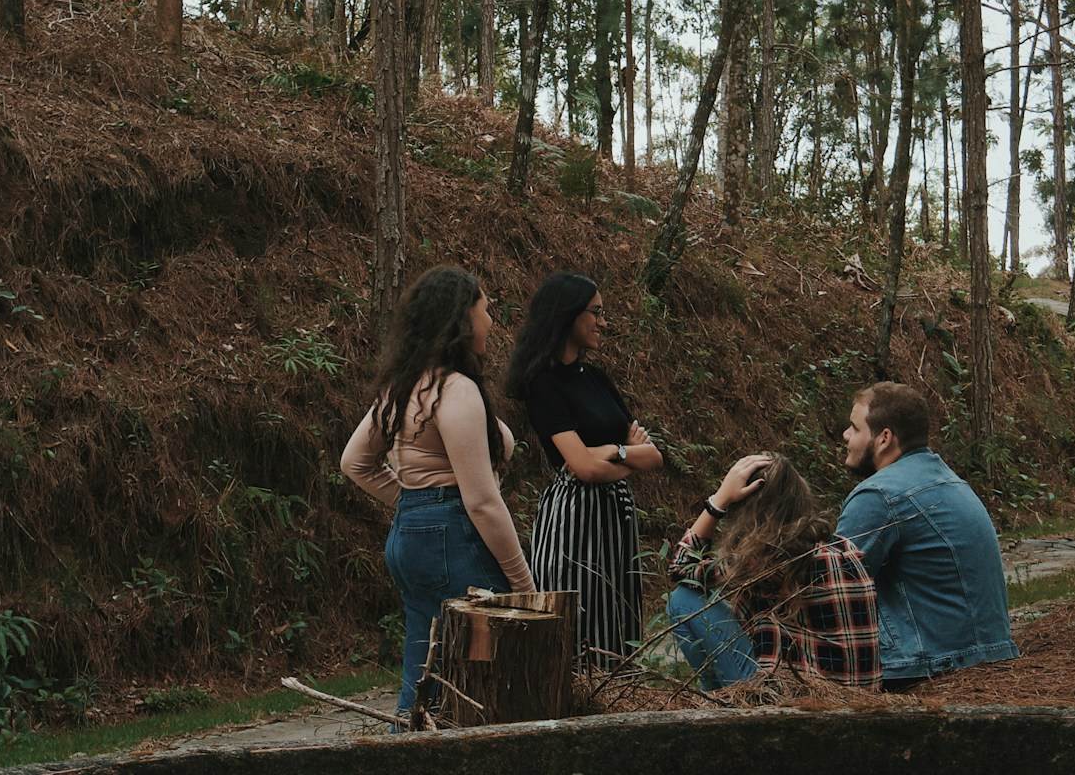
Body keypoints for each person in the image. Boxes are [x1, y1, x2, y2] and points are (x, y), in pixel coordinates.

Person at [341, 265, 534, 721]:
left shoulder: (403, 388)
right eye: (487, 311)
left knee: (425, 676)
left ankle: (409, 753)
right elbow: (482, 502)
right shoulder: (455, 390)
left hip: (412, 540)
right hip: (457, 543)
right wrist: (525, 587)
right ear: (462, 320)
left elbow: (355, 463)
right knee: (483, 678)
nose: (492, 322)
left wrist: (415, 508)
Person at [503, 272, 663, 669]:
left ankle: (615, 702)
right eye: (596, 312)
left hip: (617, 516)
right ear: (567, 315)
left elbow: (655, 457)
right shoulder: (541, 383)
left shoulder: (596, 378)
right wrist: (622, 453)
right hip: (574, 517)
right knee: (579, 616)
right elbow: (583, 469)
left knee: (618, 613)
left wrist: (610, 452)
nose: (603, 322)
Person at [835, 381, 1019, 690]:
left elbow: (827, 591)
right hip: (986, 654)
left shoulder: (881, 494)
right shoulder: (950, 481)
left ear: (884, 439)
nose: (846, 435)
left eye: (854, 428)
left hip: (927, 667)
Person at [665, 453, 881, 690]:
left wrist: (718, 501)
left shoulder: (766, 559)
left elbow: (680, 566)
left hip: (793, 703)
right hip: (855, 697)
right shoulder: (844, 546)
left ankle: (721, 706)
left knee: (681, 600)